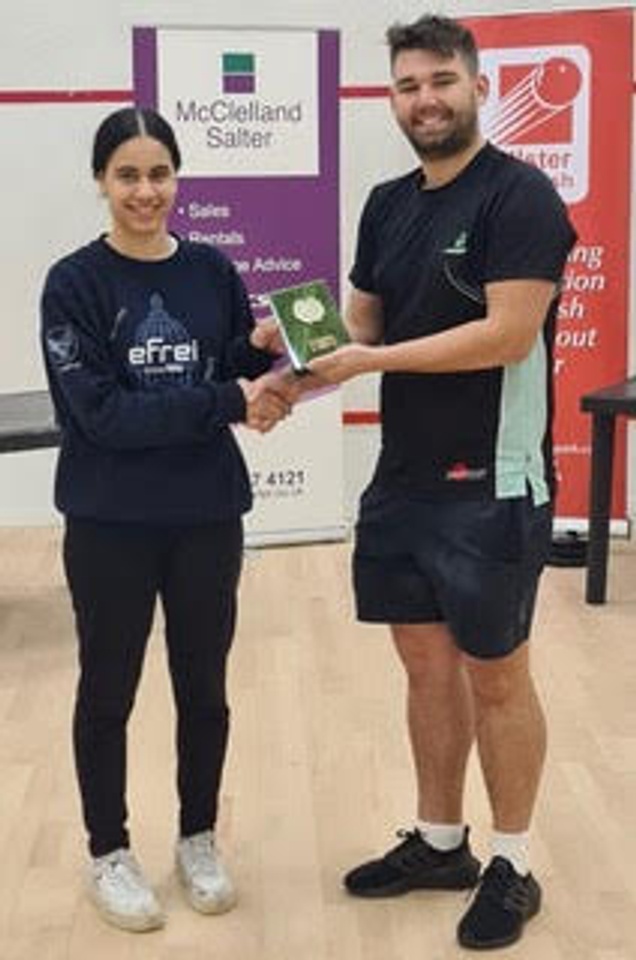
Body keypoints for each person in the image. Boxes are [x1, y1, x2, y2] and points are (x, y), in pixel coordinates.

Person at [294, 13, 576, 952]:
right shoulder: (387, 203)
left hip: (493, 482)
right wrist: (288, 357)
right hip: (404, 479)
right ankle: (443, 843)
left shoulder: (521, 197)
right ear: (394, 98)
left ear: (478, 86)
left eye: (442, 81)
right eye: (409, 85)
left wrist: (366, 364)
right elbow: (359, 324)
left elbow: (507, 335)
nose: (425, 100)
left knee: (499, 675)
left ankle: (515, 863)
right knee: (424, 666)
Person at [40, 107, 297, 932]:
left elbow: (227, 363)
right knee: (107, 689)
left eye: (159, 174)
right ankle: (108, 851)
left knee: (205, 688)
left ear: (177, 177)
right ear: (101, 182)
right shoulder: (73, 283)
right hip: (109, 522)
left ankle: (198, 838)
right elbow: (101, 415)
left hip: (205, 515)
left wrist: (265, 350)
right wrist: (229, 399)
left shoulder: (212, 269)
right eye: (128, 175)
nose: (146, 192)